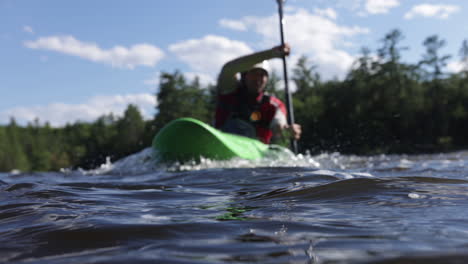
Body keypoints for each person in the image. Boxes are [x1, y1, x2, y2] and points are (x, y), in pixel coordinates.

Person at [215, 44, 301, 144]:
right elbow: (228, 69)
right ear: (244, 76)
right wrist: (272, 53)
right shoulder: (229, 91)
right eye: (254, 73)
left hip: (256, 151)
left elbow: (278, 124)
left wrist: (286, 131)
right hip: (224, 141)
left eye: (262, 75)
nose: (258, 79)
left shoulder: (273, 105)